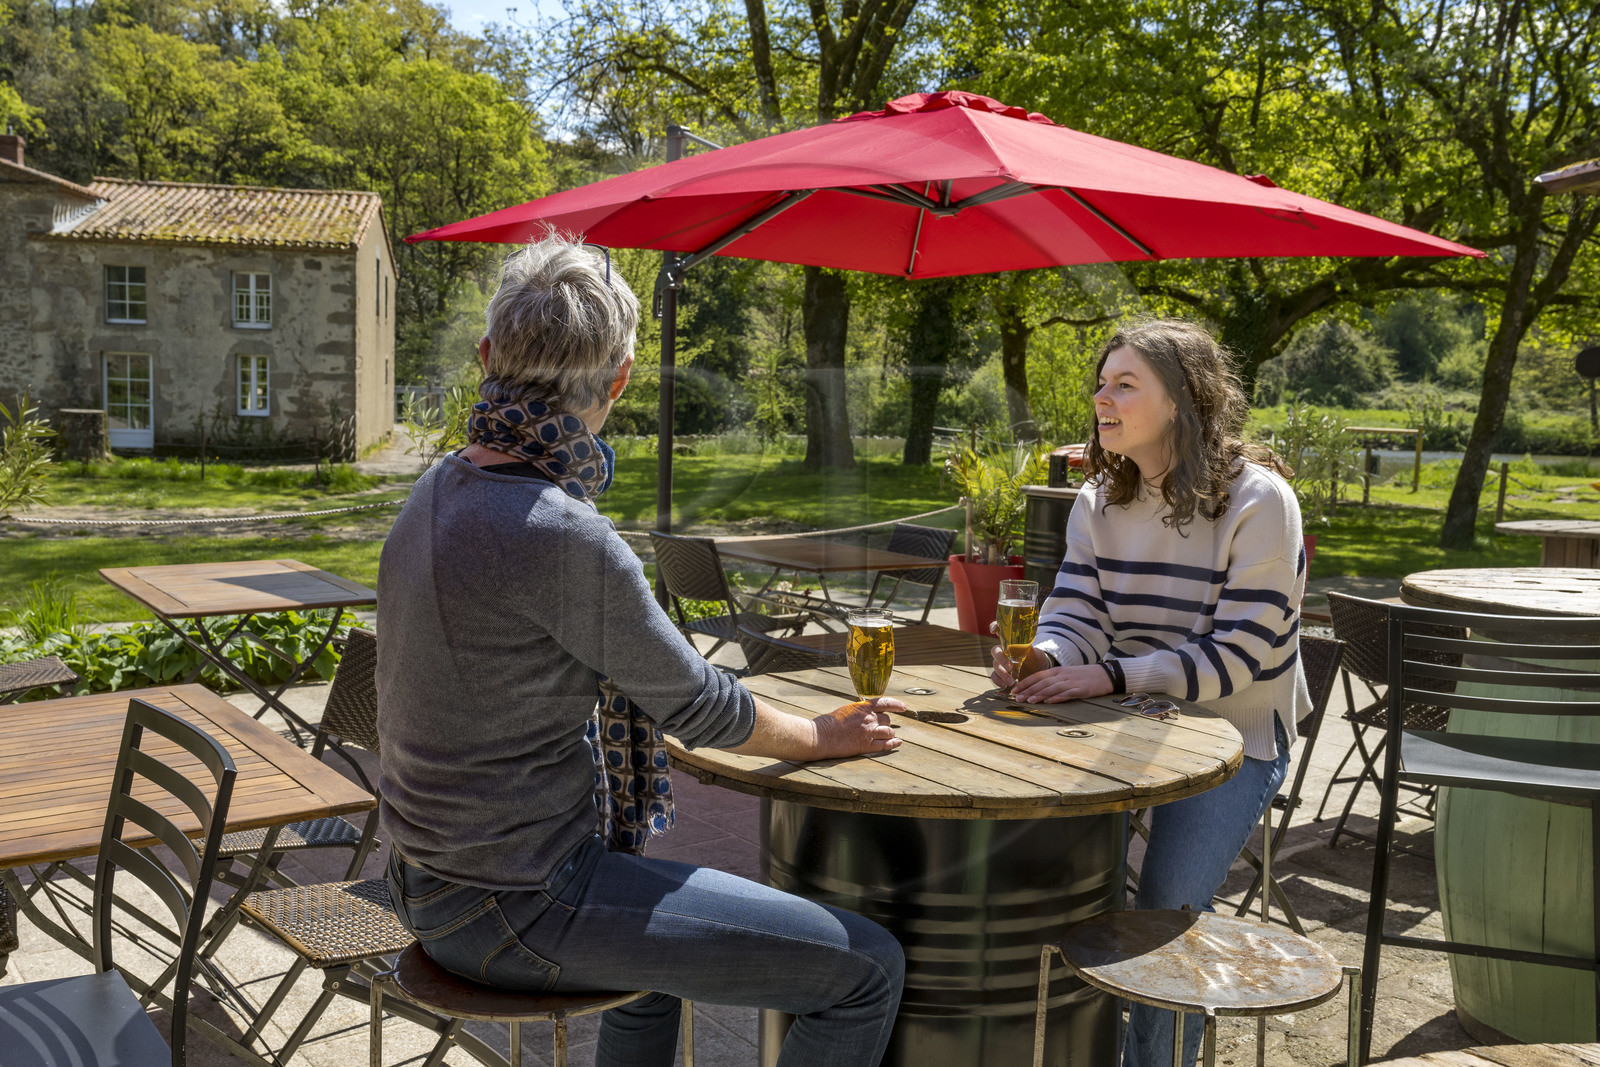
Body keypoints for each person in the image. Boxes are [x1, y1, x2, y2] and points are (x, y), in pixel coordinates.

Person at [377, 231, 906, 1067]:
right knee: (868, 968)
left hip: (421, 878)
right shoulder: (561, 533)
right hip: (513, 904)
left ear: (487, 356)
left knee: (656, 965)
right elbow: (699, 704)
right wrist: (821, 733)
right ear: (620, 378)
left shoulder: (437, 486)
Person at [990, 319, 1309, 1067]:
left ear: (1183, 400)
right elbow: (1079, 612)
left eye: (1125, 384)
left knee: (1163, 915)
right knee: (1047, 874)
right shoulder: (1099, 499)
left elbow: (1239, 658)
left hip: (1233, 736)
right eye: (1102, 383)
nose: (1102, 397)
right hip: (1123, 720)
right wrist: (1047, 655)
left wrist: (1109, 675)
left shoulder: (1260, 502)